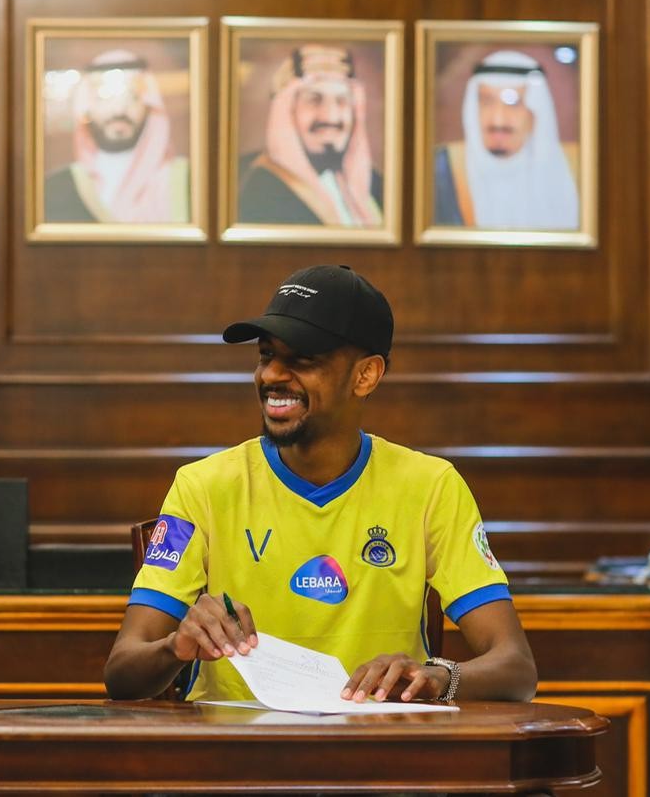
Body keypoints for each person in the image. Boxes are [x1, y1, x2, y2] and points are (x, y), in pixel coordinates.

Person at [104, 265, 537, 704]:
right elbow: (122, 673)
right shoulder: (200, 487)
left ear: (365, 376)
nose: (271, 375)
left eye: (302, 360)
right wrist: (175, 647)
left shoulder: (432, 487)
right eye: (266, 355)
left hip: (381, 743)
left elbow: (516, 668)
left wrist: (438, 678)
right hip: (237, 743)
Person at [238, 45, 383, 226]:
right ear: (287, 112)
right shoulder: (261, 190)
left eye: (342, 101)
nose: (330, 116)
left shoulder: (374, 184)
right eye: (314, 100)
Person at [434, 49, 580, 228]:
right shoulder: (441, 168)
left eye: (514, 104)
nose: (498, 120)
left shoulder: (576, 171)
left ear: (535, 112)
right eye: (487, 102)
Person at [43, 49, 190, 223]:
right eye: (105, 97)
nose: (119, 110)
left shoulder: (188, 180)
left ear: (149, 106)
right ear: (86, 106)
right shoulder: (57, 187)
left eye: (132, 97)